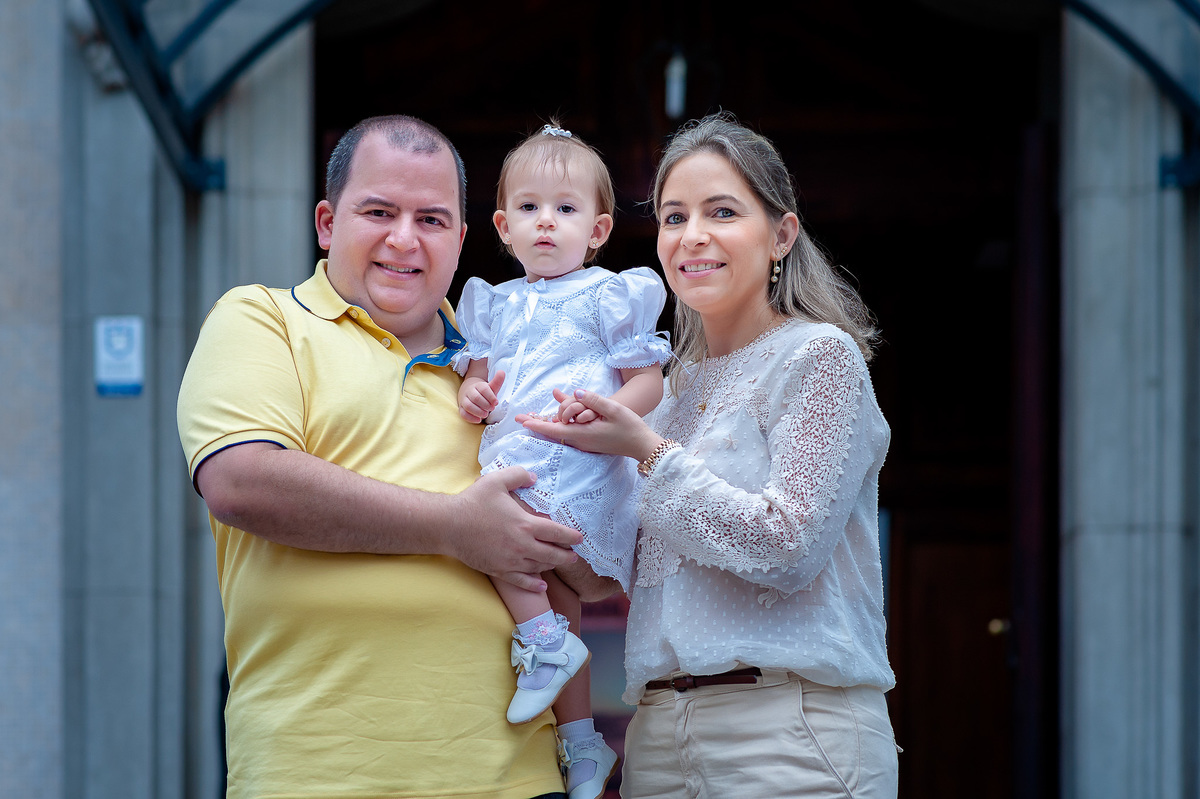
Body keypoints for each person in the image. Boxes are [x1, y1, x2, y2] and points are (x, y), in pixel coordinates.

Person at [176, 114, 609, 799]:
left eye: (432, 220)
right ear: (326, 222)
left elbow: (591, 570)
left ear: (463, 240)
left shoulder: (512, 360)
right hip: (315, 774)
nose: (404, 239)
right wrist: (454, 528)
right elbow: (240, 479)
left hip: (514, 781)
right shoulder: (262, 320)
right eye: (378, 211)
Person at [522, 113, 900, 799]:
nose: (692, 235)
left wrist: (645, 449)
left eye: (721, 211)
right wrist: (529, 497)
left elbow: (788, 545)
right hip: (659, 732)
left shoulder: (819, 357)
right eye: (673, 217)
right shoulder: (666, 391)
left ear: (781, 234)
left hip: (791, 729)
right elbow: (615, 575)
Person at [454, 122, 670, 799]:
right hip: (518, 447)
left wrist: (610, 414)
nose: (546, 222)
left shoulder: (608, 293)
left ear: (598, 229)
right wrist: (473, 389)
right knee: (562, 593)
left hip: (575, 461)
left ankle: (541, 640)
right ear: (503, 225)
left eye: (566, 209)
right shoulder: (491, 301)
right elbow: (476, 378)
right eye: (529, 208)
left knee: (499, 531)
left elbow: (648, 380)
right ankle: (581, 745)